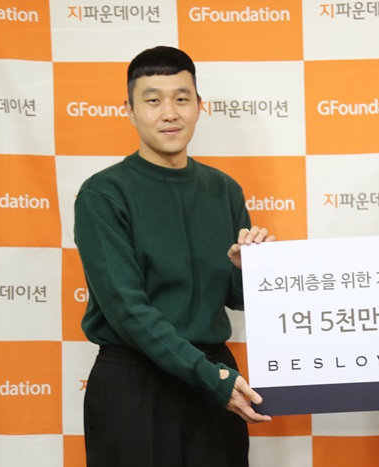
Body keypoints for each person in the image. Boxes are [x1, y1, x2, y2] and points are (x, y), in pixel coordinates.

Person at [74, 45, 273, 467]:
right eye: (153, 100)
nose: (169, 113)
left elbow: (237, 298)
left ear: (199, 106)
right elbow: (127, 309)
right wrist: (207, 376)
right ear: (129, 111)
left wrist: (249, 270)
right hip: (136, 380)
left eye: (181, 99)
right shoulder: (103, 194)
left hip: (213, 377)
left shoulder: (224, 189)